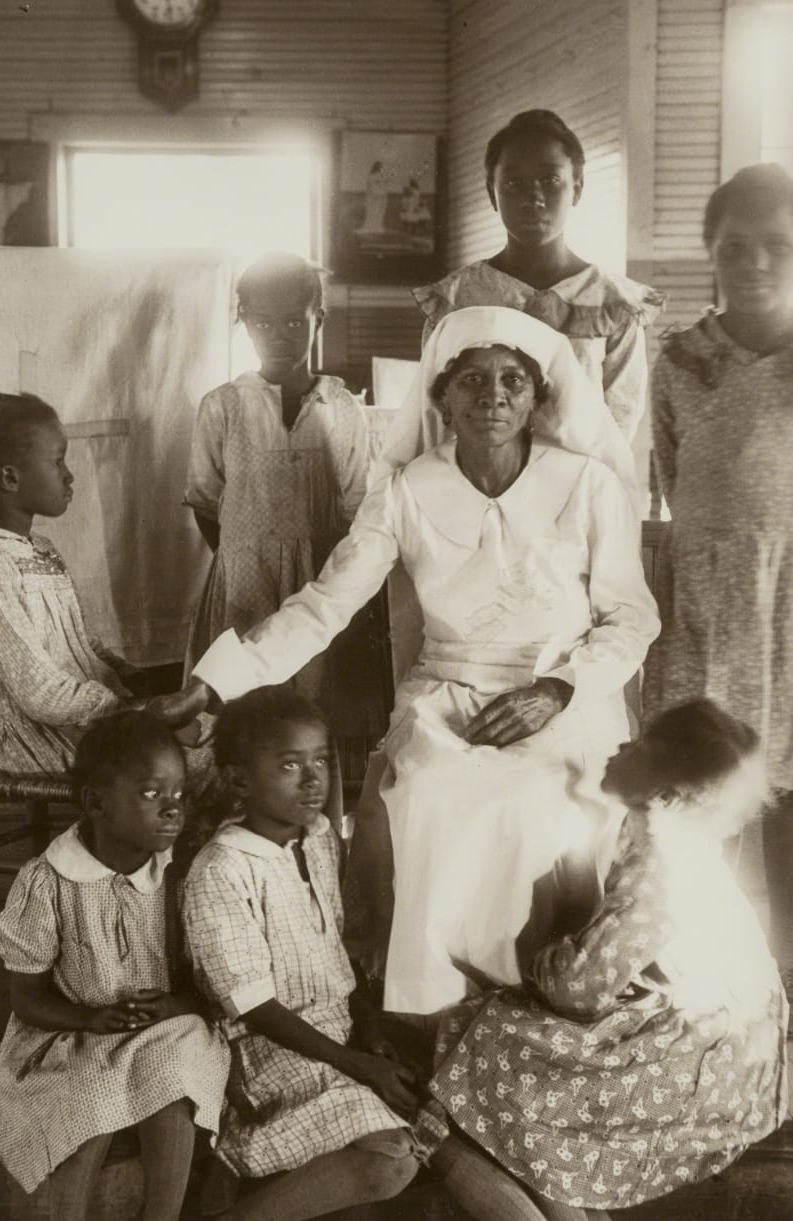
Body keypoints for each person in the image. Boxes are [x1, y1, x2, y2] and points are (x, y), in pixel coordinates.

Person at [181, 306, 660, 1017]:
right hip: (445, 693)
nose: (491, 395)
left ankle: (535, 1000)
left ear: (537, 395)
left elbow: (631, 617)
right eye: (470, 380)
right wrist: (214, 682)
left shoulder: (587, 485)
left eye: (510, 379)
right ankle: (431, 1011)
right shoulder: (405, 491)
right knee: (430, 793)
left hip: (563, 693)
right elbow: (324, 603)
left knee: (533, 803)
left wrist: (559, 689)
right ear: (439, 397)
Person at [421, 700, 788, 1216]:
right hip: (722, 1043)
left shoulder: (659, 863)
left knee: (501, 1044)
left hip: (707, 1067)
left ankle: (538, 1176)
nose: (621, 744)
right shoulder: (680, 839)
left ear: (664, 793)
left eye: (639, 745)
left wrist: (547, 936)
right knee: (506, 1033)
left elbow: (577, 987)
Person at [183, 687, 420, 1221]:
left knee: (429, 1120)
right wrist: (355, 1064)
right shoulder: (222, 870)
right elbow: (253, 1007)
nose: (314, 780)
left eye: (321, 760)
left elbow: (335, 953)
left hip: (338, 1033)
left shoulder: (317, 838)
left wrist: (370, 1029)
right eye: (290, 765)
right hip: (270, 1051)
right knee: (391, 1161)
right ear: (241, 780)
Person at [0, 711, 230, 1220]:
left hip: (161, 1026)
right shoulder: (47, 882)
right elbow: (25, 997)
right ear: (96, 802)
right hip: (70, 1033)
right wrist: (87, 1021)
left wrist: (177, 1005)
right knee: (86, 1111)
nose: (172, 810)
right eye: (151, 794)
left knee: (179, 1070)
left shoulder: (181, 873)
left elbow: (206, 983)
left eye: (179, 795)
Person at [650, 162, 793, 995]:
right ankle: (697, 979)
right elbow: (672, 472)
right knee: (692, 802)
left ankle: (786, 988)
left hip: (788, 616)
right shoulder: (680, 361)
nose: (755, 264)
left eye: (778, 246)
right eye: (734, 247)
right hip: (705, 607)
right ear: (709, 252)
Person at [0, 391, 203, 774]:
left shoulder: (42, 550)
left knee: (221, 738)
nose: (69, 474)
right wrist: (135, 712)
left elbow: (84, 642)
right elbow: (40, 694)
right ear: (10, 477)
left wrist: (123, 672)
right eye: (57, 461)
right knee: (201, 763)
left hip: (82, 720)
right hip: (31, 736)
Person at [183, 252, 379, 737]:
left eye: (295, 321)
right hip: (241, 591)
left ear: (320, 319)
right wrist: (243, 560)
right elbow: (206, 500)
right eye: (263, 322)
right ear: (244, 323)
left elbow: (358, 506)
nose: (279, 335)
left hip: (317, 585)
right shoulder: (223, 406)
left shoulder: (342, 407)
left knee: (310, 720)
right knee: (240, 717)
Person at [404, 110, 664, 446]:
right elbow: (437, 411)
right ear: (490, 192)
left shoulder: (610, 303)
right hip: (477, 487)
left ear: (577, 188)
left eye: (551, 180)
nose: (533, 198)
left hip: (579, 488)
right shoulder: (457, 299)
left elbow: (620, 419)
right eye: (513, 184)